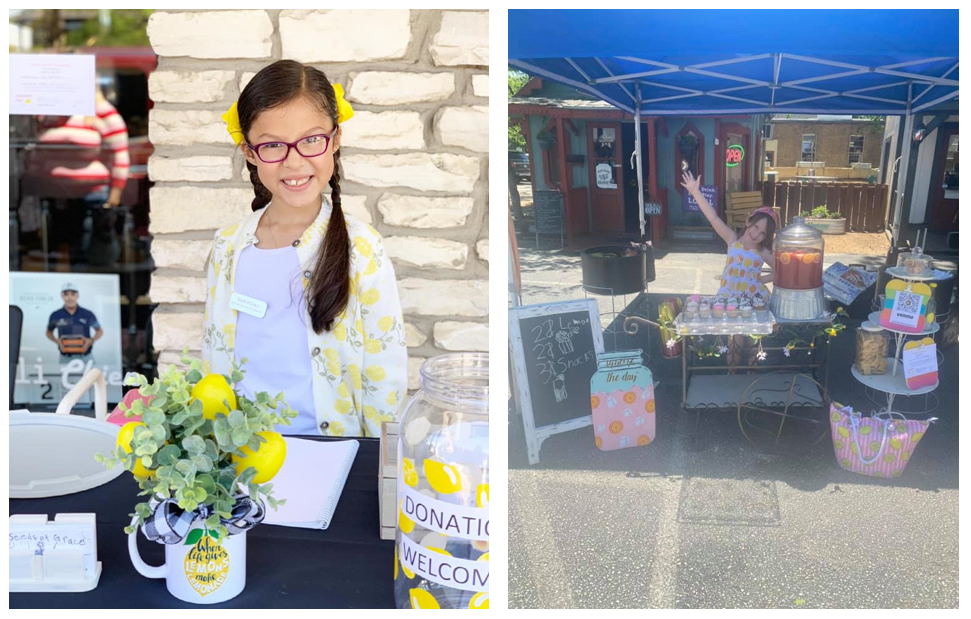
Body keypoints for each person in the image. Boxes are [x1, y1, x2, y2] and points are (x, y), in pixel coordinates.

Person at [203, 60, 407, 438]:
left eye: (312, 139)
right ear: (249, 152)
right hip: (241, 456)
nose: (294, 161)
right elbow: (214, 354)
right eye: (272, 145)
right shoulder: (227, 247)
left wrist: (384, 461)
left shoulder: (362, 248)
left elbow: (386, 369)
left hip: (334, 453)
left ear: (336, 138)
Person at [681, 170, 777, 365]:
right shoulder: (732, 240)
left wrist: (761, 280)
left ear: (766, 237)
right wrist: (695, 192)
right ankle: (731, 372)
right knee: (733, 337)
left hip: (753, 299)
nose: (757, 234)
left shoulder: (763, 252)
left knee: (753, 337)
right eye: (755, 227)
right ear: (749, 222)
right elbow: (713, 218)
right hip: (730, 297)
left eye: (763, 233)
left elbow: (781, 271)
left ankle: (751, 371)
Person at [33, 86, 129, 266]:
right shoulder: (50, 112)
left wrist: (113, 198)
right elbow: (37, 152)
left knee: (96, 254)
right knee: (60, 255)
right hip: (56, 197)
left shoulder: (101, 111)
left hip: (93, 195)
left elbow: (120, 155)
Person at [46, 282, 104, 365]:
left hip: (86, 357)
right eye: (66, 294)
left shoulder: (87, 314)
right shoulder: (56, 315)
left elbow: (99, 331)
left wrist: (91, 340)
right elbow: (49, 332)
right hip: (65, 358)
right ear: (62, 296)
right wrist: (57, 341)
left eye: (73, 294)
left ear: (77, 296)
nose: (70, 298)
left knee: (91, 378)